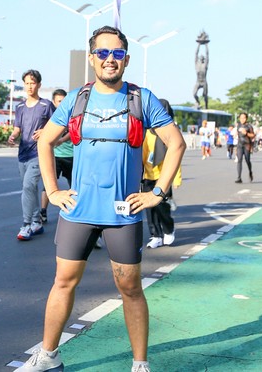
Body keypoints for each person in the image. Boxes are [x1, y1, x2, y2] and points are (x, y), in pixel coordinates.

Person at [20, 26, 185, 372]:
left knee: (130, 288)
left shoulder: (141, 99)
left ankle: (140, 363)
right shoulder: (77, 99)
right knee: (63, 282)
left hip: (122, 214)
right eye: (103, 53)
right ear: (92, 58)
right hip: (78, 211)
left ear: (126, 59)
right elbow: (45, 141)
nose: (110, 59)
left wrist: (157, 193)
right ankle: (48, 356)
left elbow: (176, 143)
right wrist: (53, 191)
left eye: (117, 53)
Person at [8, 69, 55, 241]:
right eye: (26, 83)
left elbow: (58, 125)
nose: (29, 86)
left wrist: (44, 131)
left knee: (28, 186)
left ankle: (26, 224)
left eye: (32, 83)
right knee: (30, 189)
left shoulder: (46, 105)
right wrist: (13, 136)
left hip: (39, 153)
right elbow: (18, 128)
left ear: (39, 85)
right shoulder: (20, 107)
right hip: (23, 153)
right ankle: (37, 222)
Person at [142, 99, 182, 249]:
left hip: (164, 177)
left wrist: (176, 179)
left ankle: (168, 230)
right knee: (149, 209)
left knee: (162, 207)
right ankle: (155, 235)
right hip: (148, 176)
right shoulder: (147, 132)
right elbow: (143, 154)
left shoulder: (171, 132)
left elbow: (176, 156)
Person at [40, 88, 74, 223]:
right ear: (54, 102)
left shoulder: (73, 115)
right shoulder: (52, 119)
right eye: (59, 101)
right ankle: (43, 211)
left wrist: (61, 140)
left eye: (63, 101)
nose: (61, 104)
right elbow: (45, 137)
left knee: (75, 187)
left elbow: (73, 131)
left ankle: (75, 212)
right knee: (48, 185)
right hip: (56, 155)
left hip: (71, 155)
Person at [235, 112, 255, 183]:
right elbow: (238, 135)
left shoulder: (249, 126)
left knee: (247, 160)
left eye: (244, 118)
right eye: (241, 118)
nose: (242, 119)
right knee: (239, 160)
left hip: (247, 145)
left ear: (246, 118)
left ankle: (250, 172)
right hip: (240, 145)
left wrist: (246, 133)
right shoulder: (238, 125)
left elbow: (253, 135)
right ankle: (239, 177)